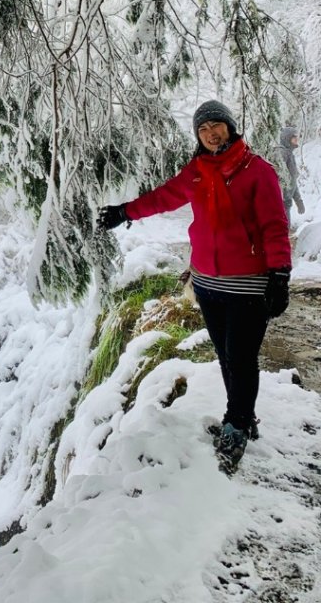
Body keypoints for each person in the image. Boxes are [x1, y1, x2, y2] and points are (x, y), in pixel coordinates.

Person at [97, 100, 292, 474]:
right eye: (203, 129)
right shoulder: (198, 171)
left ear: (230, 128)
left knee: (241, 356)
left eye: (216, 125)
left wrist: (280, 274)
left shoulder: (257, 171)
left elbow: (274, 226)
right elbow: (164, 197)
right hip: (207, 283)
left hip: (247, 284)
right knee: (225, 355)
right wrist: (125, 212)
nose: (210, 133)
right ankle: (244, 416)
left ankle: (236, 424)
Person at [278, 124, 305, 221]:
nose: (297, 139)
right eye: (294, 137)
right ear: (287, 138)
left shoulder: (289, 154)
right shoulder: (282, 153)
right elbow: (278, 178)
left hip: (286, 202)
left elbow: (292, 180)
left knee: (285, 229)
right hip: (280, 203)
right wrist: (282, 200)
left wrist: (298, 200)